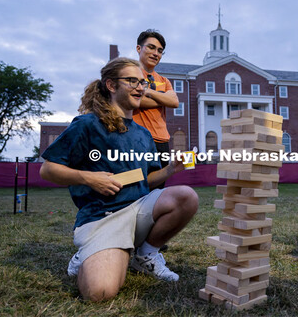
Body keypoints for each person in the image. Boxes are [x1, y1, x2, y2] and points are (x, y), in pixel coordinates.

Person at [40, 57, 198, 301]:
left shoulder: (143, 134)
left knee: (186, 196)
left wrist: (170, 170)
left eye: (143, 82)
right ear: (112, 86)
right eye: (132, 81)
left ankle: (146, 255)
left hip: (138, 210)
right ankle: (88, 255)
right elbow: (48, 170)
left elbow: (145, 180)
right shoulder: (87, 124)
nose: (140, 87)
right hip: (102, 218)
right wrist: (89, 178)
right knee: (100, 292)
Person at [133, 29, 179, 190]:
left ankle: (153, 216)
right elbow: (134, 101)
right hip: (138, 139)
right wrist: (162, 98)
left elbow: (174, 101)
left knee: (158, 188)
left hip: (162, 141)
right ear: (139, 48)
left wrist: (149, 92)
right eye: (151, 47)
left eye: (160, 51)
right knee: (136, 183)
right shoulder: (130, 75)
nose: (156, 53)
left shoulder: (164, 80)